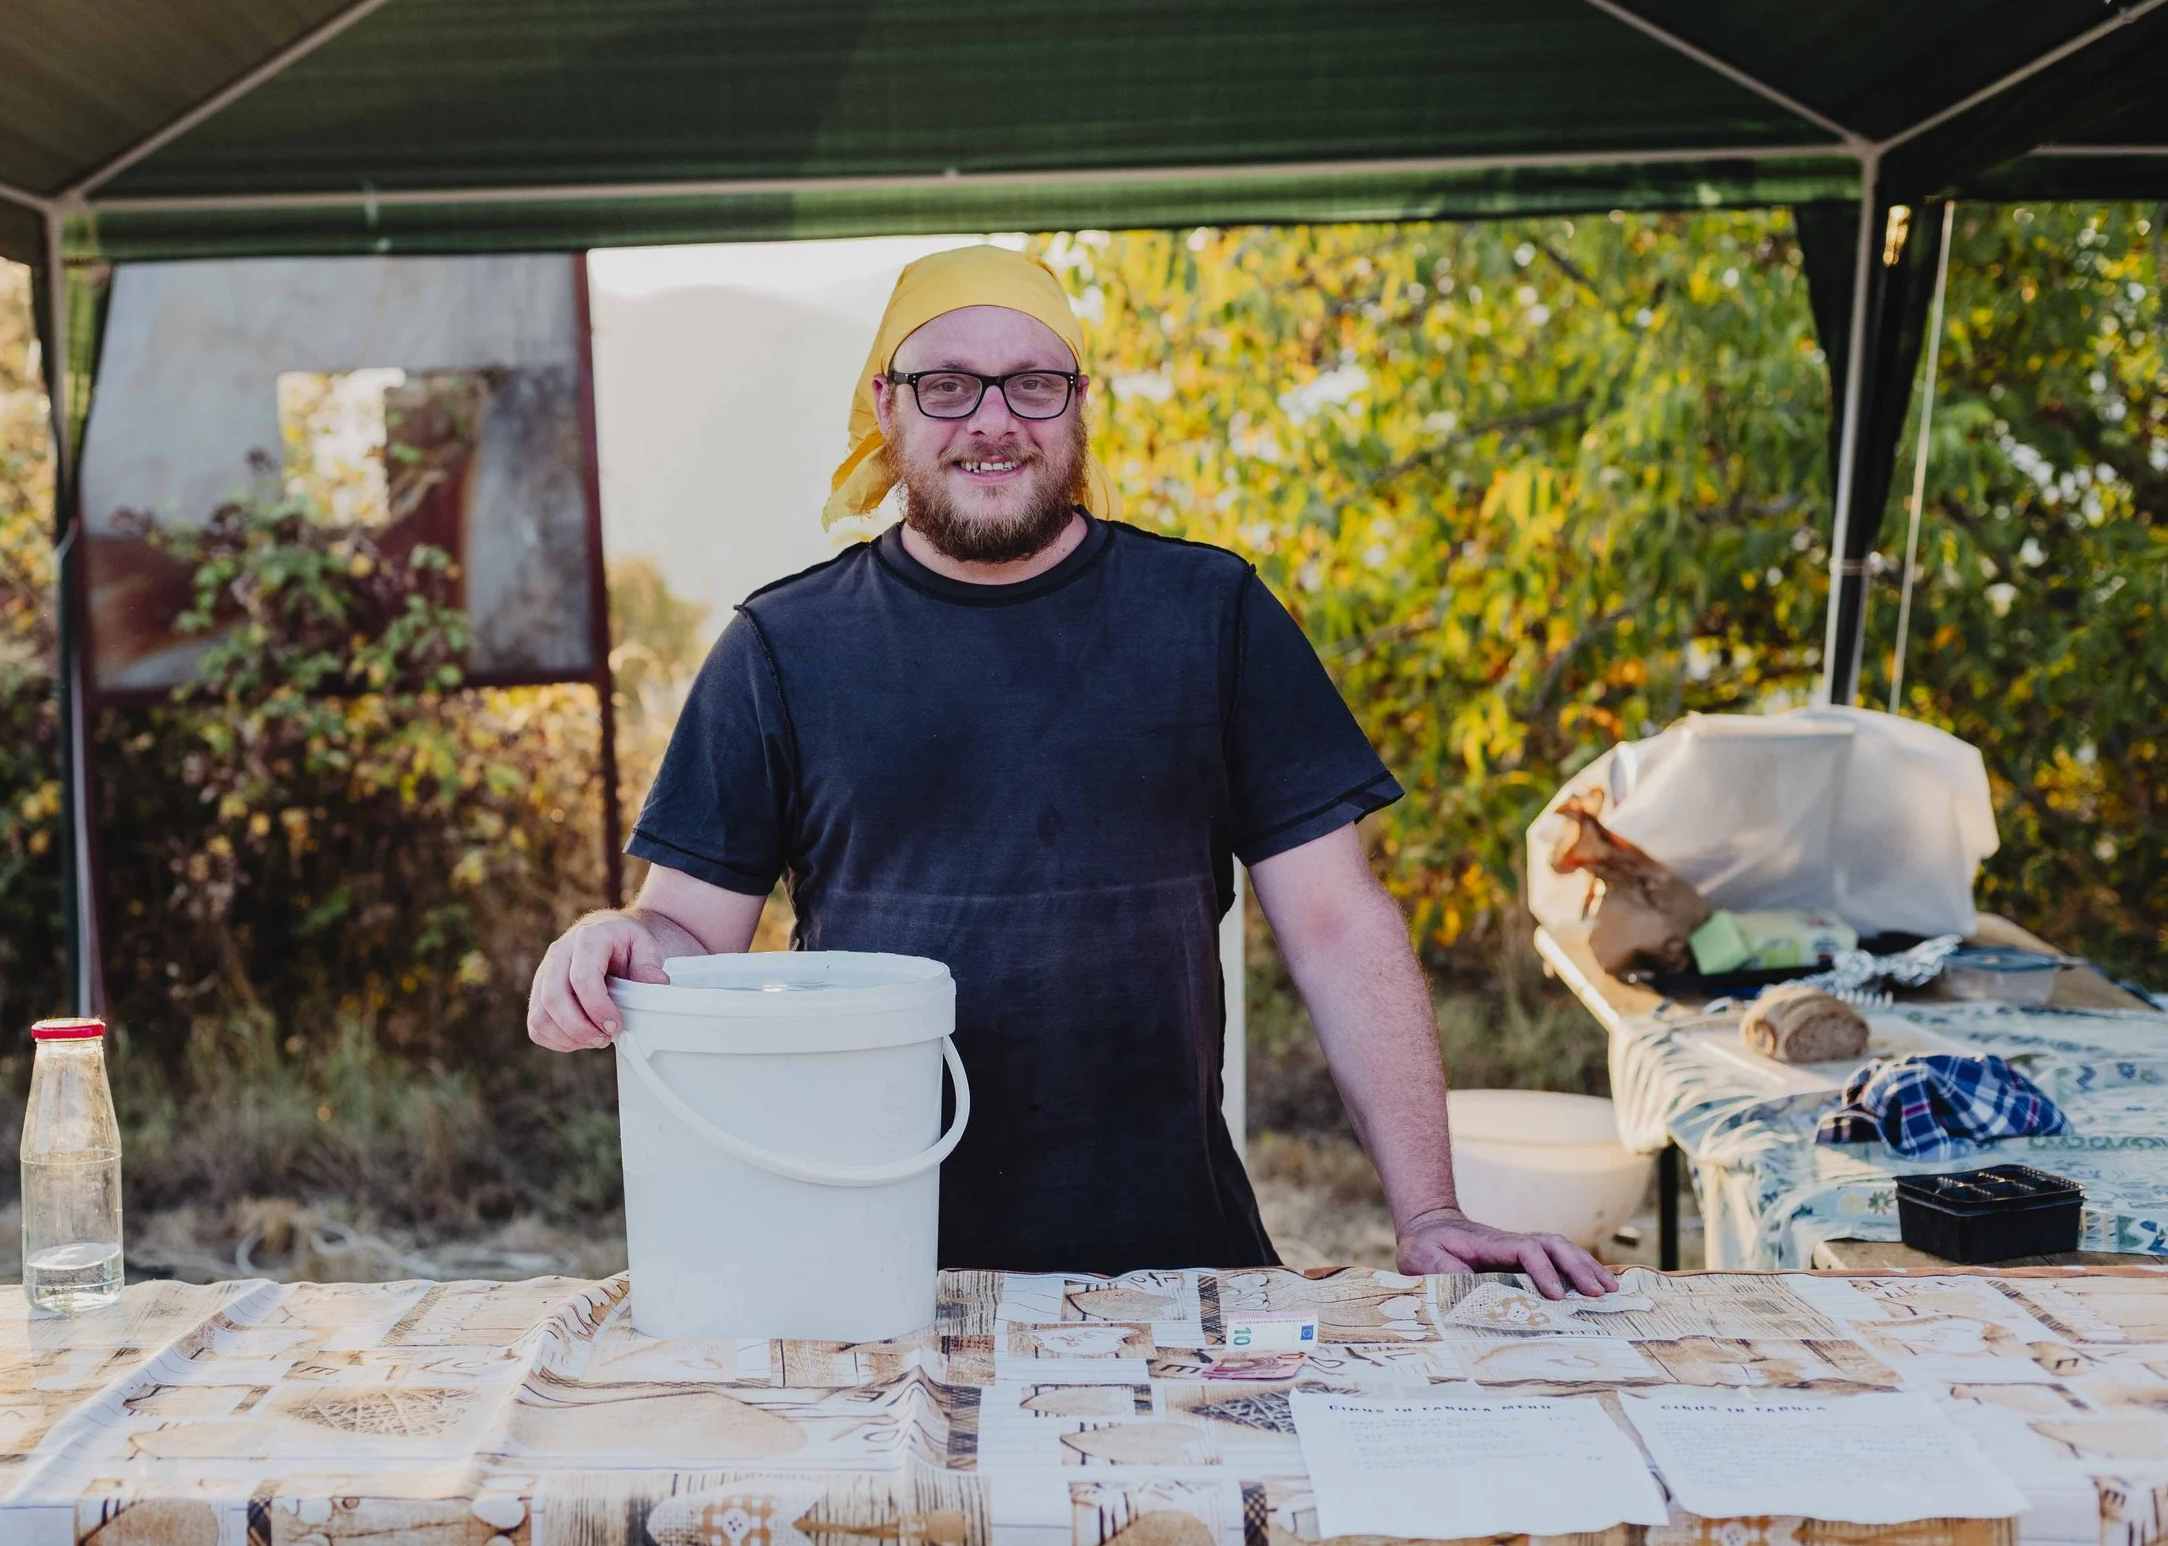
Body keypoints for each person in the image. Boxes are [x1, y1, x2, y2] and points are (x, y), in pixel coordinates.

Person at [528, 245, 1610, 1297]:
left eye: (1033, 383)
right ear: (886, 405)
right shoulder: (781, 649)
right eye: (948, 385)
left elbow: (1338, 925)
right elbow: (686, 939)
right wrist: (615, 939)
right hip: (873, 1267)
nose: (993, 419)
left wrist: (1430, 1212)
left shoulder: (1211, 616)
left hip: (1177, 1269)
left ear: (1080, 403)